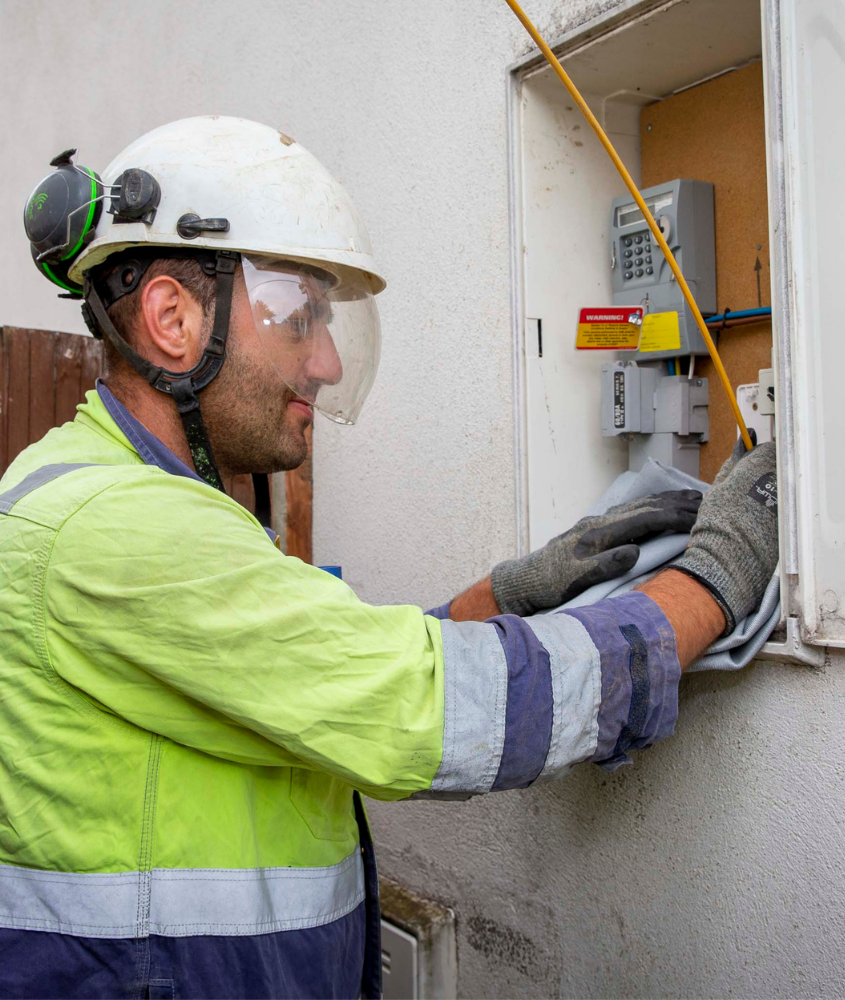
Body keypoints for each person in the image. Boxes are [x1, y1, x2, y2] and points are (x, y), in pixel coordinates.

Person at [0, 116, 778, 1000]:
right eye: (299, 318)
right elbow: (420, 708)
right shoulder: (120, 525)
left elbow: (315, 675)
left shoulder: (128, 496)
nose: (326, 361)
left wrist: (510, 592)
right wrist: (716, 576)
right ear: (173, 318)